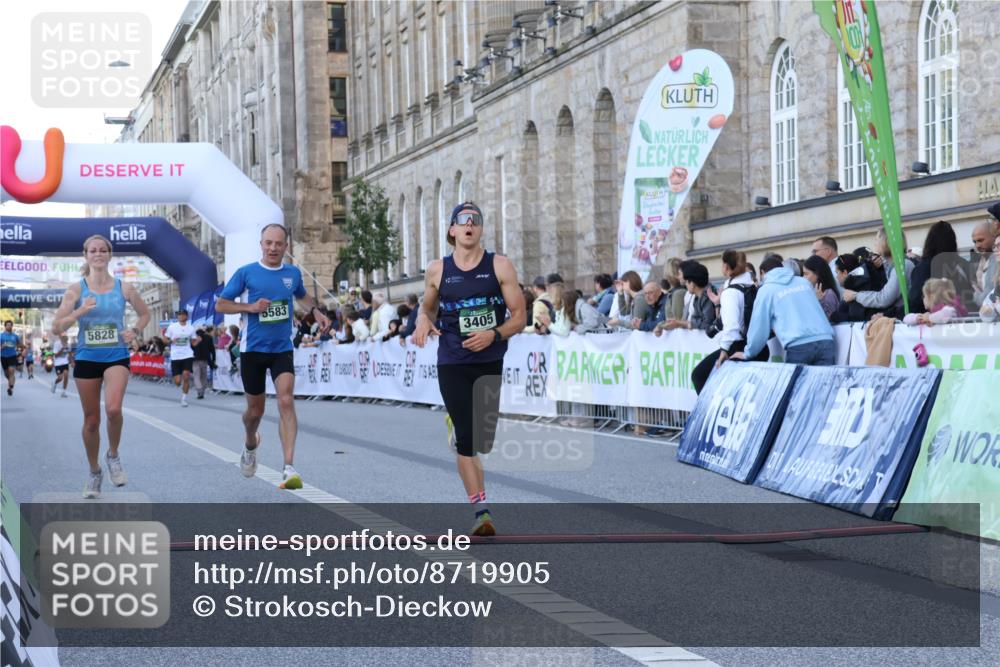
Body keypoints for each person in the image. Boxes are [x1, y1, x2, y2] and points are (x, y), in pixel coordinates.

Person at [413, 202, 526, 537]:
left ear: (481, 230)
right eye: (463, 221)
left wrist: (493, 333)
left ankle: (459, 428)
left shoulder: (500, 266)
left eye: (475, 220)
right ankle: (481, 510)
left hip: (489, 359)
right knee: (467, 437)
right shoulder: (437, 270)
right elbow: (428, 308)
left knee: (484, 438)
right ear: (452, 230)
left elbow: (519, 317)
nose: (469, 225)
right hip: (452, 359)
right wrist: (421, 319)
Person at [216, 224, 330, 490]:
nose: (273, 248)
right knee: (255, 412)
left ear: (285, 247)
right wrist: (250, 307)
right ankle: (250, 442)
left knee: (286, 400)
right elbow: (221, 304)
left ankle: (288, 467)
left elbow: (302, 297)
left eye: (278, 244)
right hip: (253, 350)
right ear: (261, 244)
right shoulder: (247, 273)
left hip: (281, 348)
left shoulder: (291, 273)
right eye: (268, 243)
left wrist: (317, 312)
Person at [52, 234, 151, 498]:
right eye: (93, 250)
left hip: (116, 354)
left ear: (109, 255)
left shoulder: (124, 288)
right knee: (91, 422)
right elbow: (56, 326)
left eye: (102, 250)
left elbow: (145, 314)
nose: (97, 254)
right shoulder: (75, 290)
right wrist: (79, 311)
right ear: (86, 255)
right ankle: (94, 471)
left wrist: (135, 330)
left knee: (114, 409)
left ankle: (113, 455)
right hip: (86, 357)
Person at [735, 255, 836, 366]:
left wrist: (748, 353)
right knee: (824, 383)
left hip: (799, 345)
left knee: (797, 383)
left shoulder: (766, 290)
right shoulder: (803, 283)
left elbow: (759, 326)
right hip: (826, 340)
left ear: (763, 272)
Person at [690, 250, 763, 393]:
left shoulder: (730, 292)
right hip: (758, 345)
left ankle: (710, 413)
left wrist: (724, 350)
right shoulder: (752, 284)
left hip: (738, 347)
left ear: (726, 267)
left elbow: (732, 327)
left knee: (698, 376)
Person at [907, 220, 975, 314]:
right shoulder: (963, 264)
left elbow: (914, 301)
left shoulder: (924, 268)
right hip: (966, 319)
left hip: (930, 322)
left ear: (929, 242)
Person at [843, 228, 914, 317]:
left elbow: (884, 299)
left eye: (877, 239)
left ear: (887, 242)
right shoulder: (893, 265)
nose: (875, 244)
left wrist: (856, 296)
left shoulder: (903, 265)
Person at [659, 260, 717, 334]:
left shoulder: (707, 295)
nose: (686, 285)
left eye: (687, 282)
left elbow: (707, 323)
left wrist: (686, 324)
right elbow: (694, 319)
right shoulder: (696, 297)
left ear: (692, 283)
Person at [164, 308, 200, 407]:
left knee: (186, 375)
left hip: (187, 354)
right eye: (179, 314)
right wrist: (172, 341)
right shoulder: (172, 327)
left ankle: (184, 398)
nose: (180, 316)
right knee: (177, 381)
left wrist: (197, 341)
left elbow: (193, 343)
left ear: (186, 316)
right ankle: (181, 385)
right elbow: (165, 340)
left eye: (182, 314)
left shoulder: (191, 328)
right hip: (175, 356)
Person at [903, 278, 967, 326]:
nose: (923, 299)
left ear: (931, 297)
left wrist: (929, 318)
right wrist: (918, 318)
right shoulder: (933, 314)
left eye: (924, 296)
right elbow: (905, 319)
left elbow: (945, 315)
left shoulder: (950, 309)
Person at [802, 255, 841, 321]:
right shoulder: (811, 291)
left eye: (806, 274)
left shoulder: (829, 294)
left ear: (817, 273)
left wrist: (820, 301)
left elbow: (829, 320)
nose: (803, 277)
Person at [971, 221, 998, 307]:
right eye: (974, 242)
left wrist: (976, 294)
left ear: (993, 238)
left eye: (980, 240)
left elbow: (987, 299)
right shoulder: (983, 261)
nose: (977, 246)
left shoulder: (996, 260)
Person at [192, 325, 216, 399]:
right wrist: (213, 359)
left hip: (195, 359)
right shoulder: (208, 337)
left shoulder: (193, 338)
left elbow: (190, 347)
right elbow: (212, 349)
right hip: (205, 359)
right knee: (203, 375)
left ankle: (199, 390)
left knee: (196, 375)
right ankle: (202, 390)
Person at [1, 321, 20, 396]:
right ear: (5, 326)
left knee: (11, 371)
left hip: (12, 356)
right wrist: (2, 347)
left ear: (12, 326)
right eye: (7, 325)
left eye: (10, 325)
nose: (9, 326)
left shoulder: (15, 336)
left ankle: (10, 388)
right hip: (3, 357)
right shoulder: (1, 336)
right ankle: (11, 381)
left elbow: (19, 345)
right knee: (6, 374)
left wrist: (22, 350)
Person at [51, 333, 72, 397]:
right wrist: (62, 349)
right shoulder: (57, 344)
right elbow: (56, 355)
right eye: (64, 338)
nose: (65, 340)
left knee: (66, 376)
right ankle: (54, 383)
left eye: (66, 339)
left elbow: (70, 353)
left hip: (65, 362)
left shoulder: (68, 344)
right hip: (58, 363)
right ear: (61, 338)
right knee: (60, 378)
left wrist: (71, 361)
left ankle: (63, 392)